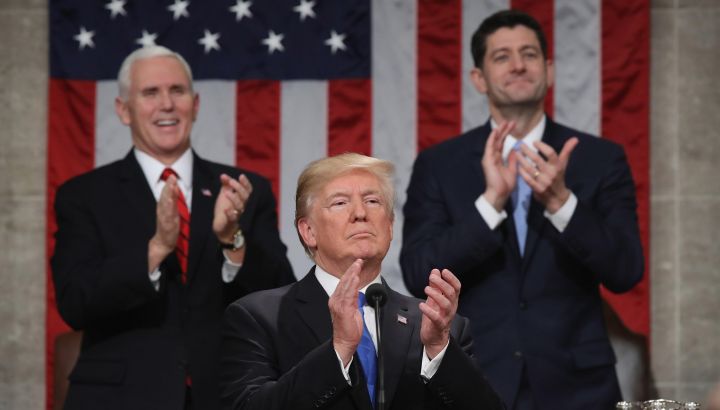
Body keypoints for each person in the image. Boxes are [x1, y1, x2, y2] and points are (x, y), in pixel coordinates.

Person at [400, 9, 644, 410]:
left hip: (578, 390)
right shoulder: (439, 165)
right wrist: (490, 204)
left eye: (529, 54)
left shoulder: (600, 159)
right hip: (474, 381)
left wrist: (562, 203)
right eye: (502, 56)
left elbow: (626, 270)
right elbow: (417, 273)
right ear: (478, 78)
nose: (518, 65)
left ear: (548, 70)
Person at [51, 46, 295, 410]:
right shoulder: (84, 195)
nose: (166, 104)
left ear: (194, 105)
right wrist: (155, 251)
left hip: (225, 395)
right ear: (123, 110)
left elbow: (280, 300)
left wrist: (232, 240)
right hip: (119, 397)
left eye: (177, 91)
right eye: (150, 93)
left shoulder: (243, 190)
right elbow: (75, 303)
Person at [221, 153, 504, 410]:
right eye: (340, 203)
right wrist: (339, 350)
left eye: (372, 201)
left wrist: (439, 351)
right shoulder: (259, 318)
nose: (360, 213)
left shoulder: (438, 326)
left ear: (390, 226)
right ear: (308, 231)